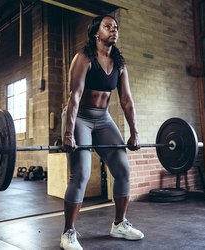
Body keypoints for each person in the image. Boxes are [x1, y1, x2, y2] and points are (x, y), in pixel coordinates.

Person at [60, 15, 144, 250]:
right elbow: (74, 96)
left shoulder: (119, 64)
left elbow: (127, 100)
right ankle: (68, 232)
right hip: (80, 118)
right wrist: (69, 133)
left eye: (116, 27)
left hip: (103, 119)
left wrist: (134, 132)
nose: (113, 30)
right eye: (108, 26)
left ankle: (119, 224)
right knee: (81, 175)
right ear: (96, 32)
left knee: (123, 170)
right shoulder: (84, 58)